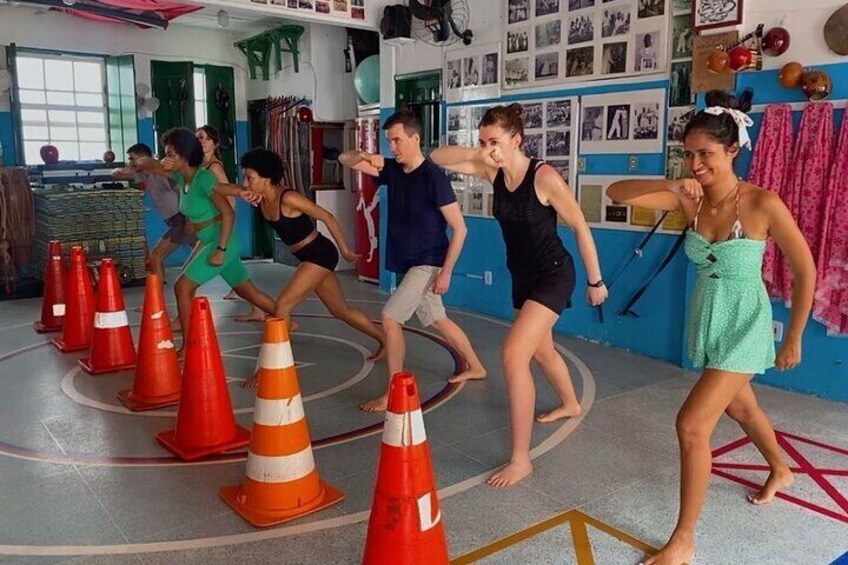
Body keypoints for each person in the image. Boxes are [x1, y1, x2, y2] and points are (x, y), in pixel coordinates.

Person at [606, 91, 815, 565]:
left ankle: (683, 540)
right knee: (741, 408)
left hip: (746, 325)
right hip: (708, 321)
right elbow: (617, 192)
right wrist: (675, 183)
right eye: (689, 153)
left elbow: (805, 270)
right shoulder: (690, 200)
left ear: (732, 152)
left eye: (707, 154)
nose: (697, 163)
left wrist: (795, 335)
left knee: (692, 425)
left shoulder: (762, 203)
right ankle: (780, 469)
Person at [430, 103, 607, 488]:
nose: (489, 147)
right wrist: (478, 153)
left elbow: (580, 227)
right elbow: (437, 156)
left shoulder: (543, 178)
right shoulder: (490, 171)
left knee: (513, 354)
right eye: (483, 141)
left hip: (554, 275)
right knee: (542, 350)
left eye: (495, 141)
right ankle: (570, 403)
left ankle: (520, 459)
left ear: (517, 140)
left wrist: (596, 281)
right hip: (522, 277)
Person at [338, 110, 487, 412]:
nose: (392, 147)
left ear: (415, 138)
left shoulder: (434, 177)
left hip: (428, 262)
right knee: (436, 319)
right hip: (410, 263)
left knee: (391, 319)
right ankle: (476, 366)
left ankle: (393, 392)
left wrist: (446, 272)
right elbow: (345, 159)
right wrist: (367, 154)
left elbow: (460, 228)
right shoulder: (392, 169)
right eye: (389, 141)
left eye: (397, 141)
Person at [232, 148, 385, 387]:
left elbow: (327, 217)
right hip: (307, 257)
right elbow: (219, 189)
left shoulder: (289, 198)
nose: (245, 183)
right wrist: (243, 192)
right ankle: (385, 339)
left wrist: (344, 250)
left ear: (267, 178)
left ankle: (272, 367)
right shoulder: (259, 198)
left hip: (319, 254)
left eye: (249, 178)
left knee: (282, 306)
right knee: (340, 310)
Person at [137, 128, 278, 345]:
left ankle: (189, 346)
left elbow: (228, 210)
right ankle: (286, 317)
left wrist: (220, 251)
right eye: (166, 154)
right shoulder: (180, 177)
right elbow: (149, 165)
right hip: (210, 240)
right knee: (250, 293)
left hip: (223, 242)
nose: (167, 158)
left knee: (182, 287)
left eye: (172, 154)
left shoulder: (203, 177)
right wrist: (150, 160)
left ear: (184, 156)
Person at [198, 125, 267, 323]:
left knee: (225, 266)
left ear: (215, 143)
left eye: (205, 138)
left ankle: (262, 309)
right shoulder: (202, 167)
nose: (201, 141)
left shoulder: (214, 166)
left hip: (220, 221)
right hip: (213, 221)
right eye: (199, 138)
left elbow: (228, 192)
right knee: (235, 272)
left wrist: (224, 218)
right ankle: (257, 308)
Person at [112, 143, 196, 282]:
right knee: (203, 253)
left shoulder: (163, 174)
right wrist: (127, 169)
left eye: (132, 158)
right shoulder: (144, 175)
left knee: (155, 256)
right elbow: (115, 174)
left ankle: (158, 295)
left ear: (143, 158)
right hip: (174, 221)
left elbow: (185, 194)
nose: (130, 162)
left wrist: (188, 221)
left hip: (182, 220)